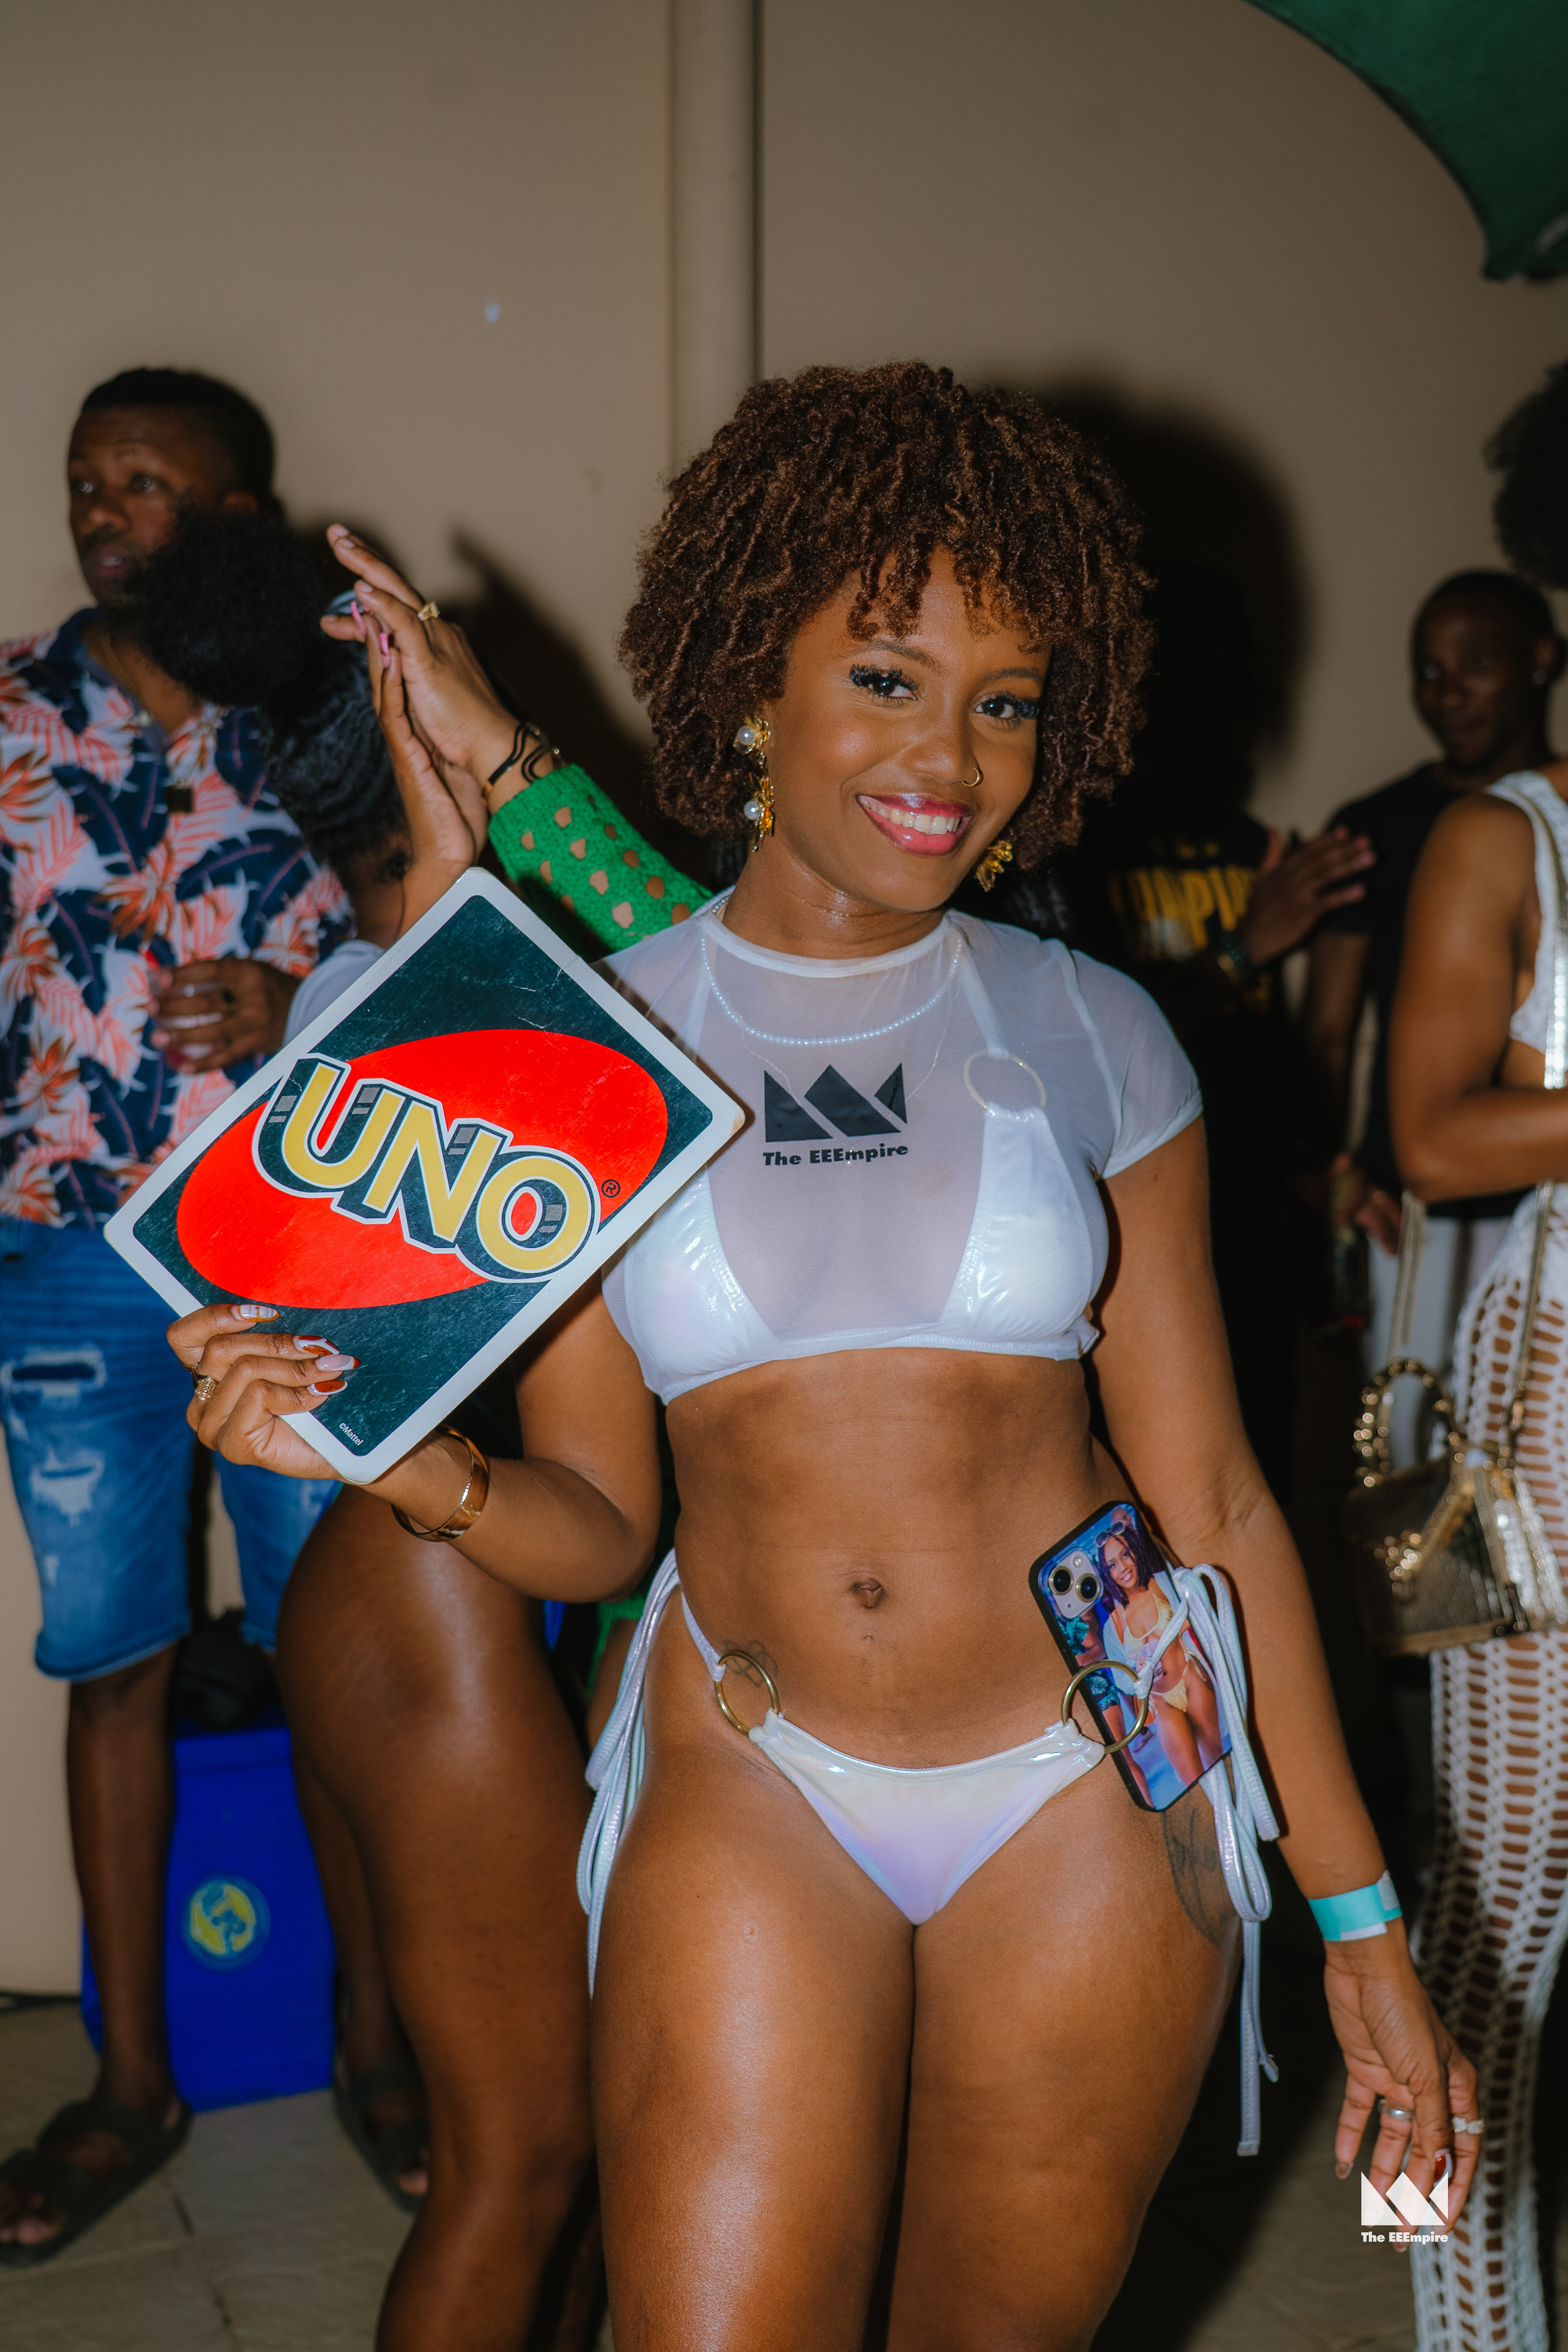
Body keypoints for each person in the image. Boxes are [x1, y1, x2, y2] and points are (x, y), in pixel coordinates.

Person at [169, 363, 1477, 2349]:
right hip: (752, 1766)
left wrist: (1361, 1923)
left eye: (1005, 701)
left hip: (1091, 1784)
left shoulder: (1096, 1031)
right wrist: (403, 1459)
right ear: (748, 693)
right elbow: (602, 1523)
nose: (949, 755)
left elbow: (1211, 1502)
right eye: (884, 678)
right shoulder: (596, 1050)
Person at [130, 503, 699, 2350]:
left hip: (448, 1585)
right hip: (442, 1585)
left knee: (588, 2145)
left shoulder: (377, 994)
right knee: (523, 2159)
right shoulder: (465, 1015)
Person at [0, 370, 344, 2262]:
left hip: (293, 1241)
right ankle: (130, 2080)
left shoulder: (317, 703)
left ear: (234, 513)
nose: (102, 507)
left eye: (145, 479)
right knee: (113, 1656)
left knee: (343, 1652)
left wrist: (302, 1007)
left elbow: (439, 933)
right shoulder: (3, 713)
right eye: (84, 479)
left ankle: (382, 2041)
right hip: (63, 1246)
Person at [1387, 358, 1568, 2352]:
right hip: (1528, 1404)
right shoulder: (1504, 839)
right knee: (1486, 1915)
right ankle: (1454, 2329)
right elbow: (1432, 1137)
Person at [1062, 562, 1373, 1494]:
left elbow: (1283, 1043)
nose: (1231, 697)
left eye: (1240, 669)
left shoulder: (1252, 846)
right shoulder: (1079, 853)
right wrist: (1242, 947)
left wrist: (1314, 1168)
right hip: (1131, 1221)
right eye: (1203, 671)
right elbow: (1092, 1041)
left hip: (1251, 1217)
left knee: (1258, 1465)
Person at [1305, 569, 1563, 1461]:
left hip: (1545, 1189)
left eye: (1475, 662)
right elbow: (1327, 1032)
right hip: (1417, 1201)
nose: (1447, 692)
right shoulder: (1377, 826)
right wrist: (1326, 1179)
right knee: (1419, 1459)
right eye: (1428, 670)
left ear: (1540, 658)